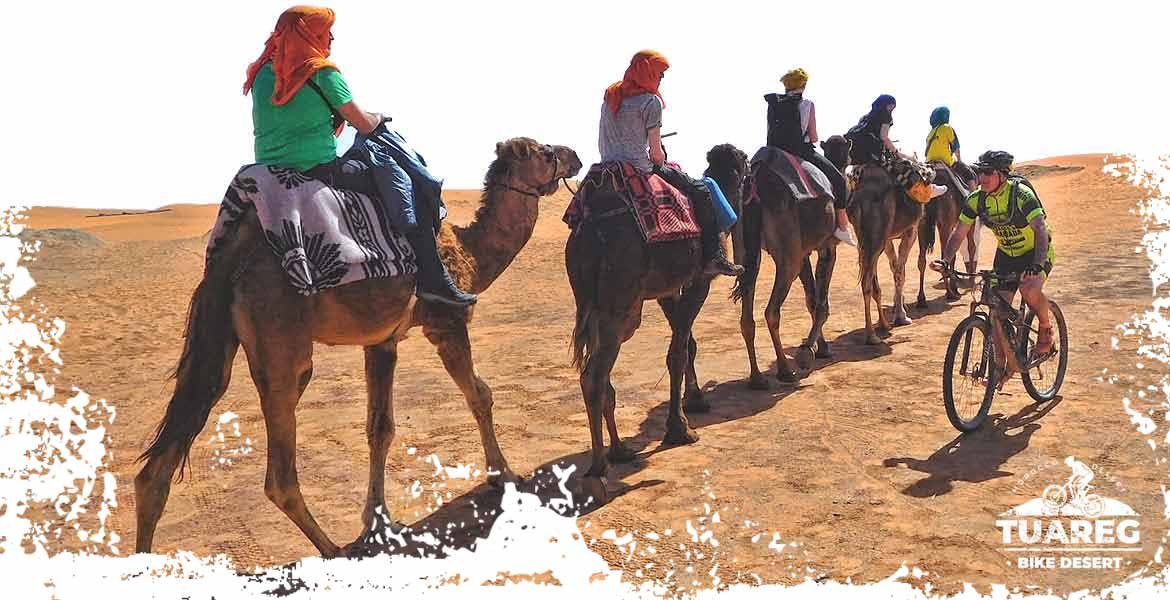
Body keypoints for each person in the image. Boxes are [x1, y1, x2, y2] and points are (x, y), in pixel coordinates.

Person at [243, 6, 475, 306]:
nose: (331, 37)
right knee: (404, 186)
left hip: (268, 171)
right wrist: (378, 117)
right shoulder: (321, 73)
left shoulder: (261, 73)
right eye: (325, 31)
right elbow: (363, 123)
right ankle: (434, 281)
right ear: (307, 34)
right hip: (316, 169)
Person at [599, 50, 741, 276]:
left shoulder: (611, 96)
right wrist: (659, 156)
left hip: (607, 166)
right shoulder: (650, 101)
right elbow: (656, 156)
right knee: (702, 190)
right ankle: (713, 257)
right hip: (640, 168)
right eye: (659, 73)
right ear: (646, 71)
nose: (661, 78)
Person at [933, 150, 1056, 356]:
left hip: (1035, 251)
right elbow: (959, 232)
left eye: (988, 172)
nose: (982, 177)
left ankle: (1045, 328)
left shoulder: (1021, 195)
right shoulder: (976, 199)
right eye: (980, 172)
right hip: (1007, 255)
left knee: (1029, 289)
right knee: (997, 310)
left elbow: (1040, 229)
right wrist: (946, 260)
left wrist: (1037, 264)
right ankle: (1002, 365)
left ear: (1002, 174)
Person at [764, 68, 856, 246]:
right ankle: (842, 225)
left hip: (774, 153)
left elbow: (769, 131)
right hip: (800, 151)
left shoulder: (773, 102)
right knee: (838, 180)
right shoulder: (807, 104)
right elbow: (813, 137)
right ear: (804, 85)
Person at [846, 95, 947, 200]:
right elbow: (884, 137)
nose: (891, 110)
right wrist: (897, 153)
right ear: (888, 106)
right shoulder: (885, 116)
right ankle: (928, 190)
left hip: (859, 160)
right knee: (909, 168)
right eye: (892, 107)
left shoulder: (864, 119)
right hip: (874, 157)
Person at [925, 106, 980, 272]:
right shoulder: (947, 128)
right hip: (945, 164)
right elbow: (955, 147)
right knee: (969, 173)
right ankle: (974, 200)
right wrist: (959, 160)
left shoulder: (930, 133)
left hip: (930, 166)